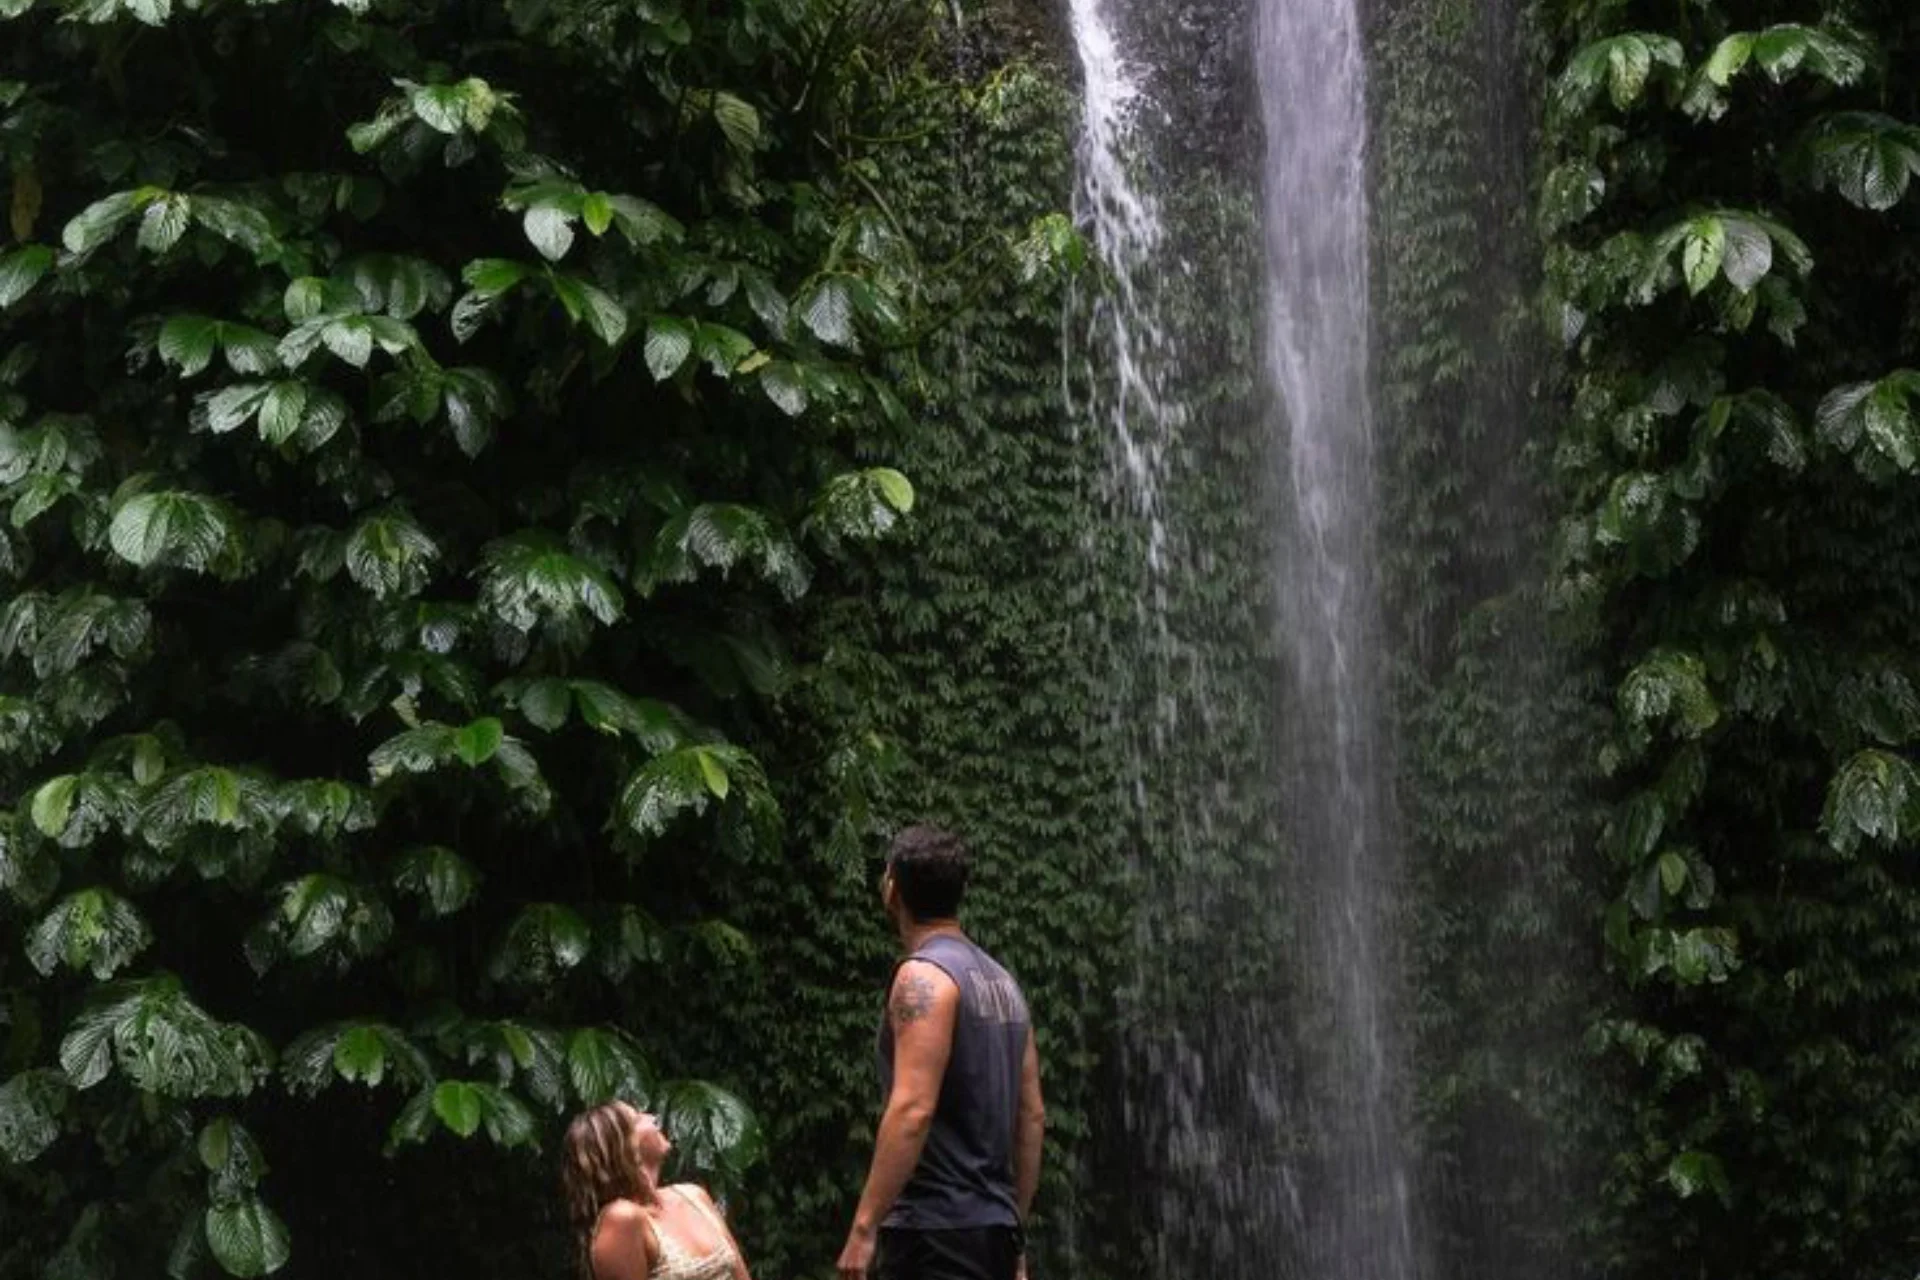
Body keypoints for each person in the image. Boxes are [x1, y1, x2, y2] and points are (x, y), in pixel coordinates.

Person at [837, 824, 1046, 1280]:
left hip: (933, 1234)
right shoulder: (1004, 984)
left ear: (892, 887)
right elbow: (1031, 1118)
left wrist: (864, 1226)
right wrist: (1014, 1229)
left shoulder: (923, 977)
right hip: (991, 1231)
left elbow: (912, 1108)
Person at [562, 1100, 753, 1280]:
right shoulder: (622, 1218)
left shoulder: (693, 1195)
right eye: (637, 1118)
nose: (652, 1117)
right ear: (624, 1147)